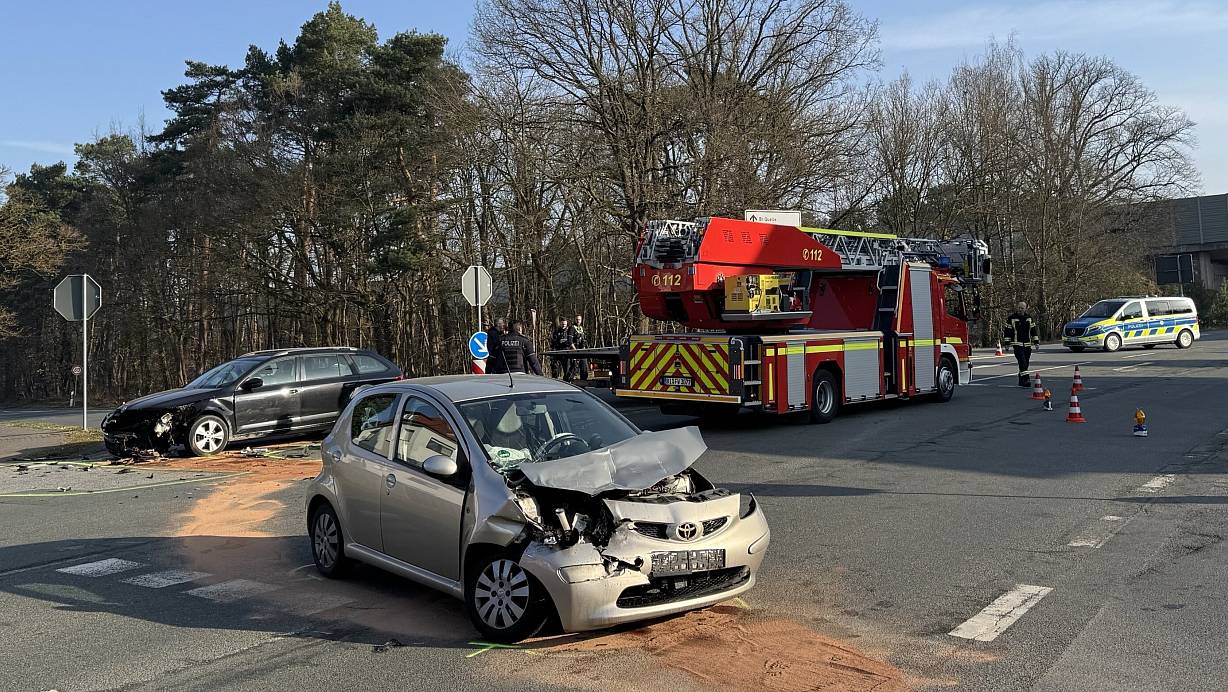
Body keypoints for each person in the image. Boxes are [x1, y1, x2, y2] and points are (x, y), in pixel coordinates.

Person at [1004, 302, 1040, 387]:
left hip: (1027, 344)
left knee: (1025, 363)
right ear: (1017, 308)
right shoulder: (1011, 318)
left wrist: (1036, 342)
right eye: (1019, 308)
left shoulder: (1029, 318)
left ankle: (1021, 381)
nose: (1020, 310)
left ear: (1025, 308)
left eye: (1022, 308)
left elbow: (1033, 331)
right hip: (1017, 344)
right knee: (1022, 361)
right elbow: (1007, 332)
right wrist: (1007, 343)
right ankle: (1026, 379)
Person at [570, 314, 588, 381]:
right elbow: (570, 341)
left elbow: (584, 340)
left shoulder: (581, 328)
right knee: (574, 368)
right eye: (577, 319)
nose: (578, 321)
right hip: (575, 351)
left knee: (584, 367)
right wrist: (575, 351)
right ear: (575, 320)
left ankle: (583, 382)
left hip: (582, 351)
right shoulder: (572, 328)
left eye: (579, 319)